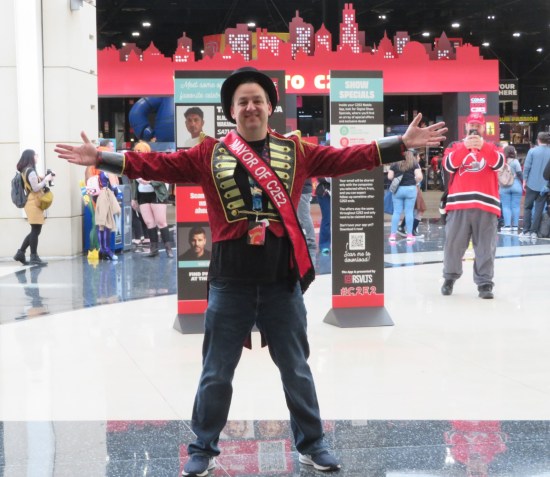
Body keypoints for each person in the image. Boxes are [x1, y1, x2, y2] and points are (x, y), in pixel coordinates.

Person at [55, 66, 446, 476]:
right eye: (242, 101)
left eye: (257, 99)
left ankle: (312, 444)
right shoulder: (208, 153)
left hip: (282, 281)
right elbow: (158, 166)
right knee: (215, 372)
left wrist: (399, 143)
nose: (250, 107)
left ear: (269, 107)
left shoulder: (296, 150)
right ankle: (202, 447)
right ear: (231, 110)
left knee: (296, 369)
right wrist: (102, 158)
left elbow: (347, 158)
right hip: (230, 282)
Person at [440, 112, 503, 299]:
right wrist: (465, 148)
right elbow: (449, 165)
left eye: (478, 124)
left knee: (486, 246)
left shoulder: (495, 146)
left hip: (487, 204)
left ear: (484, 128)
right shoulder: (454, 146)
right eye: (472, 124)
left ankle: (485, 284)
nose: (475, 127)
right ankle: (449, 278)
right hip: (459, 203)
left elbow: (498, 164)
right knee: (453, 244)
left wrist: (482, 148)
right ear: (466, 126)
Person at [131, 140, 173, 258]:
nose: (137, 153)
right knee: (149, 222)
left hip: (156, 194)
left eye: (139, 151)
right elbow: (134, 182)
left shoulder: (155, 162)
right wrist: (134, 198)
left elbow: (164, 177)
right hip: (143, 195)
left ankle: (168, 248)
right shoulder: (135, 164)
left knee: (161, 222)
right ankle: (153, 249)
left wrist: (149, 181)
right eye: (136, 151)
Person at [13, 149, 54, 266]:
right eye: (36, 155)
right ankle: (33, 256)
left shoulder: (26, 170)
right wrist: (46, 180)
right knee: (36, 230)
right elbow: (35, 188)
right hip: (33, 203)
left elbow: (34, 183)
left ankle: (21, 253)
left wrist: (46, 177)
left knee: (35, 230)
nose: (37, 157)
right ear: (31, 157)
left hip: (32, 202)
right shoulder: (30, 171)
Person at [519, 131, 550, 239]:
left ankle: (526, 230)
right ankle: (534, 231)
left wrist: (524, 180)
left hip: (531, 184)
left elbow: (527, 167)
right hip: (545, 186)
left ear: (538, 140)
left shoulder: (532, 151)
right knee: (539, 209)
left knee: (527, 207)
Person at [387, 149, 423, 242]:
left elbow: (390, 177)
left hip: (398, 190)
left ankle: (392, 235)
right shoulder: (414, 163)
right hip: (410, 189)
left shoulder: (395, 164)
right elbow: (419, 177)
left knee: (397, 212)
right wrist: (415, 181)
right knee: (409, 212)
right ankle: (410, 235)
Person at [499, 145, 524, 232]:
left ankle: (507, 226)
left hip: (504, 186)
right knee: (516, 206)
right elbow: (520, 174)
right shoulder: (515, 161)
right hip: (516, 185)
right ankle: (515, 226)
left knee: (506, 206)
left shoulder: (502, 162)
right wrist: (524, 182)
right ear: (513, 152)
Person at [298, 178, 317, 261]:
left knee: (304, 216)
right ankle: (309, 239)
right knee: (303, 216)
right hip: (303, 189)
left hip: (303, 190)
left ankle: (310, 239)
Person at [315, 177, 331, 254]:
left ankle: (341, 243)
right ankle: (324, 245)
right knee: (327, 218)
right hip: (325, 192)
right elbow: (319, 175)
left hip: (343, 190)